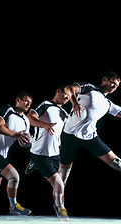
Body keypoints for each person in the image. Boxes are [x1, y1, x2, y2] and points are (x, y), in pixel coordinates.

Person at [59, 72, 121, 201]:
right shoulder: (89, 88)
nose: (114, 86)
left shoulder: (108, 104)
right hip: (69, 136)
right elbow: (68, 89)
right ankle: (59, 205)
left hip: (90, 137)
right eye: (112, 82)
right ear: (104, 79)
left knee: (116, 163)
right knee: (63, 176)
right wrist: (74, 102)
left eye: (116, 85)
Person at [26, 85, 72, 221]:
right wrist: (44, 124)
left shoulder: (64, 113)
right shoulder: (45, 104)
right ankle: (60, 207)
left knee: (60, 185)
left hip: (55, 154)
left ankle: (33, 164)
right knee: (58, 182)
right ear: (58, 90)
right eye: (65, 95)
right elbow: (30, 117)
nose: (66, 98)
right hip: (40, 153)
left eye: (69, 98)